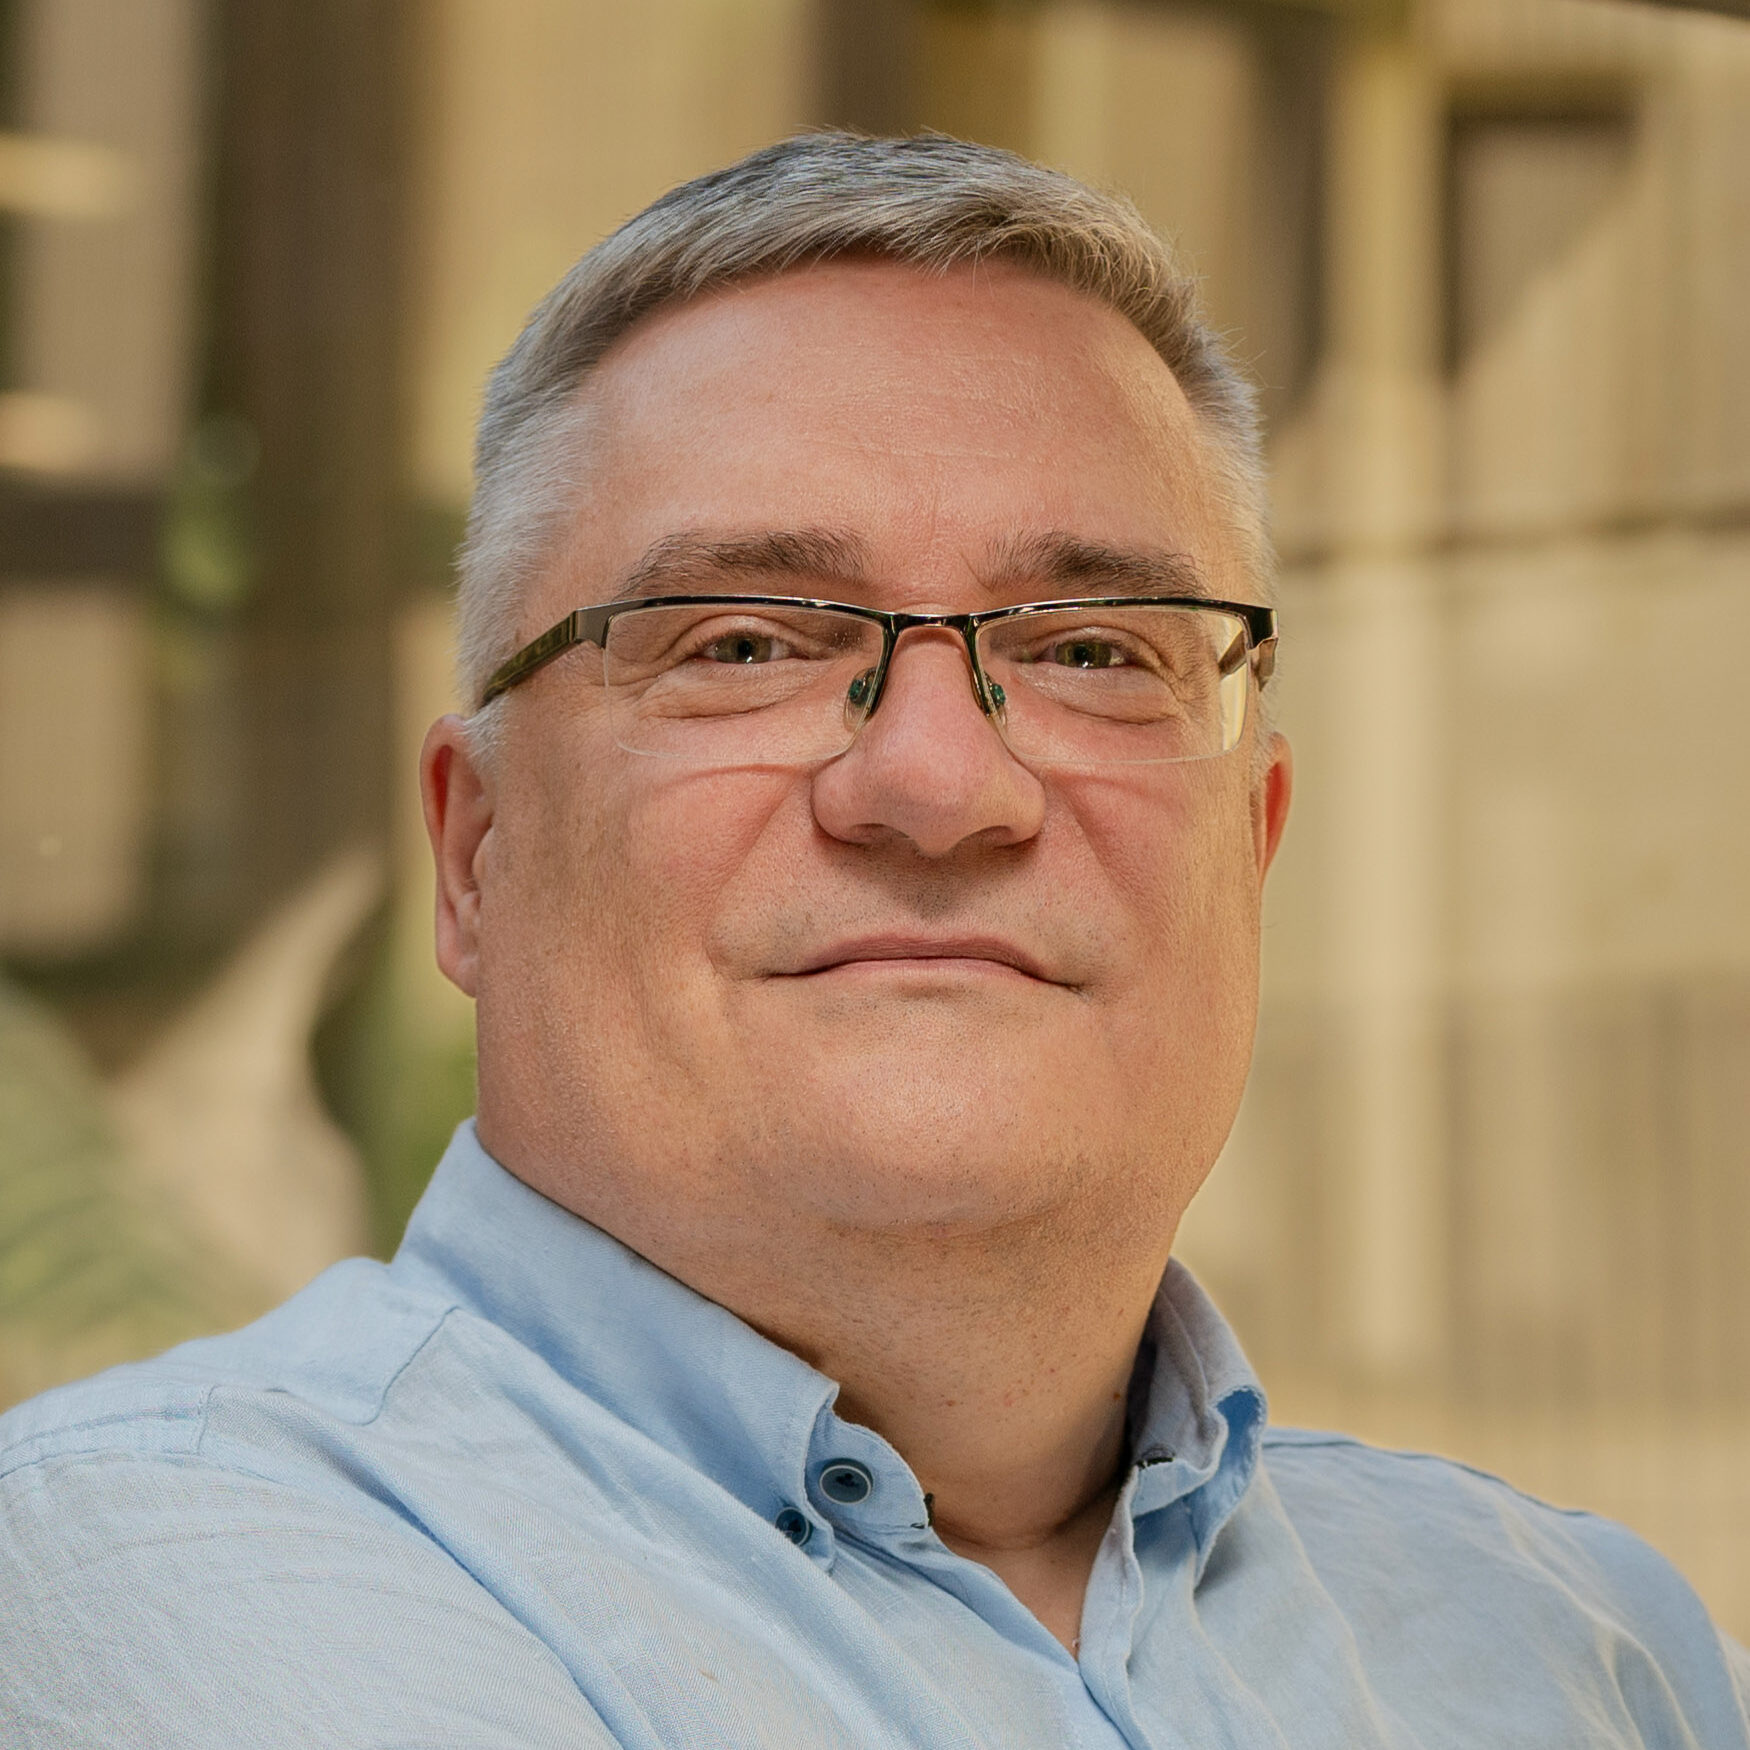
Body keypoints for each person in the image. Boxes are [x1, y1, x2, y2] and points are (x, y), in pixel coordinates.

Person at [2, 132, 1745, 1750]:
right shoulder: (143, 1561)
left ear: (1251, 850)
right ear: (475, 856)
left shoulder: (1587, 1647)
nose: (937, 783)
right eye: (744, 642)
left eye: (1093, 651)